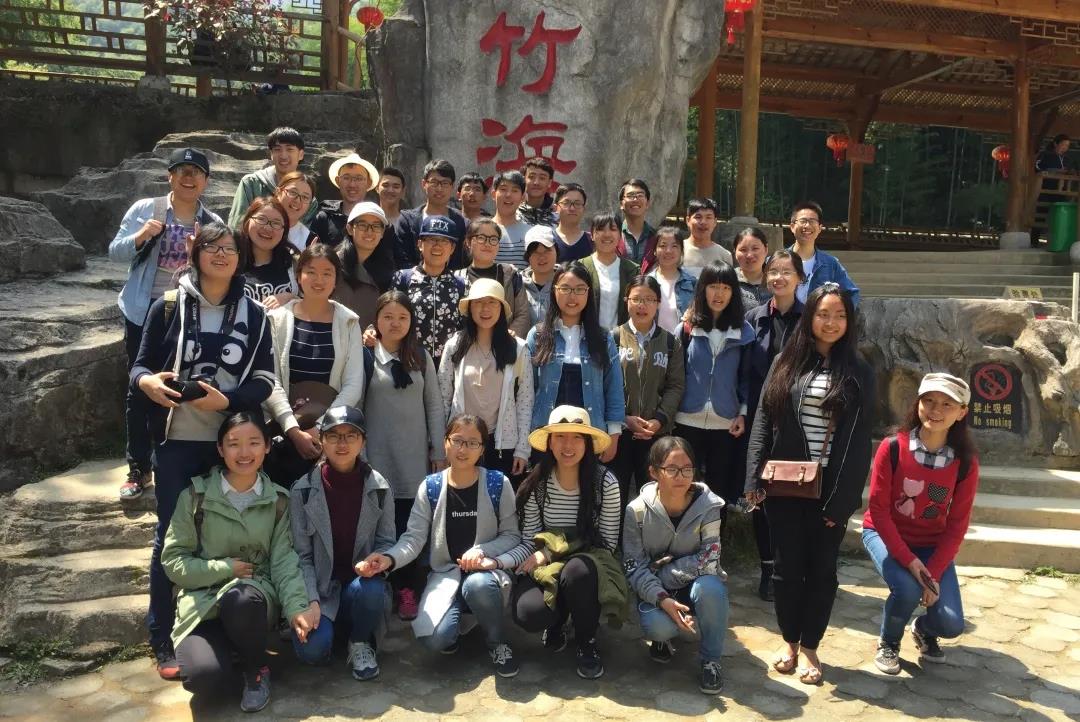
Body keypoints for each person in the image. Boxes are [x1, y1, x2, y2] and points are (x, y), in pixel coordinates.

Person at [131, 221, 276, 679]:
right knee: (171, 538)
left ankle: (226, 631)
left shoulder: (255, 315)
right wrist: (148, 383)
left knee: (224, 537)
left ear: (240, 257)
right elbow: (138, 367)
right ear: (196, 252)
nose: (221, 254)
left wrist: (227, 402)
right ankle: (162, 636)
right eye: (212, 246)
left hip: (231, 444)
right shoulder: (168, 306)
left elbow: (265, 381)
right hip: (176, 440)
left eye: (230, 248)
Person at [744, 283, 875, 686]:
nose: (831, 322)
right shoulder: (786, 361)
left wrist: (843, 502)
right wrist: (753, 478)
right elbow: (763, 421)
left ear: (849, 321)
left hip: (830, 490)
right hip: (785, 486)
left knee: (821, 572)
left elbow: (859, 442)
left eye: (840, 315)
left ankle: (811, 647)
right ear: (810, 317)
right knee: (786, 570)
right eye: (823, 314)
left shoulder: (859, 371)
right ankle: (789, 642)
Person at [162, 412, 317, 713]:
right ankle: (233, 649)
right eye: (234, 444)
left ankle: (256, 670)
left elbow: (284, 561)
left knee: (241, 599)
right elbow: (173, 560)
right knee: (204, 679)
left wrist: (297, 607)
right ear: (220, 449)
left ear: (267, 447)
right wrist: (224, 569)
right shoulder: (195, 496)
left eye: (254, 443)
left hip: (252, 600)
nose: (244, 452)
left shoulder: (279, 501)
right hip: (203, 603)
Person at [359, 415, 522, 676]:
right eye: (457, 440)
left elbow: (512, 536)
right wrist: (388, 559)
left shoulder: (497, 484)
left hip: (487, 573)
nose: (463, 449)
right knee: (433, 639)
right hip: (445, 576)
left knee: (478, 585)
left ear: (482, 449)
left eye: (472, 443)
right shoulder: (431, 487)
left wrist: (482, 551)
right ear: (445, 443)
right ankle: (458, 622)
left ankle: (497, 641)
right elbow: (413, 539)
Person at [109, 147, 221, 501]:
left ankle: (168, 462)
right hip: (143, 311)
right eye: (182, 170)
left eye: (196, 172)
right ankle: (138, 467)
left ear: (205, 181)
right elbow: (115, 252)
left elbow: (217, 270)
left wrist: (197, 255)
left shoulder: (212, 222)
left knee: (176, 386)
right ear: (170, 176)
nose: (189, 177)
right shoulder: (146, 210)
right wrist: (141, 235)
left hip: (184, 315)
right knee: (140, 386)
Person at [863, 373, 979, 674]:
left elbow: (957, 525)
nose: (935, 410)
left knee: (951, 624)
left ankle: (924, 628)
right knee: (907, 589)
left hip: (930, 543)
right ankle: (889, 642)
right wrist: (911, 563)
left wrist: (933, 573)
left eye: (947, 404)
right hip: (884, 534)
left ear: (962, 412)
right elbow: (879, 511)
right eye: (928, 400)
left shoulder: (965, 462)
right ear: (917, 404)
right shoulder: (892, 448)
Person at [503, 406, 627, 680]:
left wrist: (551, 551)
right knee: (528, 613)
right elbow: (530, 540)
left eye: (577, 437)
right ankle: (558, 620)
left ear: (588, 443)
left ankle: (586, 640)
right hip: (546, 567)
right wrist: (500, 562)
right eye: (560, 436)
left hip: (589, 563)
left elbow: (606, 544)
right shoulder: (537, 483)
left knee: (577, 572)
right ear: (549, 442)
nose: (568, 445)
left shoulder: (605, 483)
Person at [289, 405, 396, 681]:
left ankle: (359, 641)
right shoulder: (303, 490)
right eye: (334, 435)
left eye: (351, 435)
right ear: (321, 440)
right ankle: (333, 633)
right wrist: (310, 600)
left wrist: (375, 562)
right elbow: (301, 556)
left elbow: (386, 542)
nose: (342, 443)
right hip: (321, 591)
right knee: (313, 651)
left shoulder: (379, 487)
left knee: (372, 588)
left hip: (360, 589)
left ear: (363, 441)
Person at [363, 291, 447, 622]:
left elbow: (434, 405)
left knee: (412, 523)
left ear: (412, 321)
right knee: (383, 523)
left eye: (402, 317)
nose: (395, 323)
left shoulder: (420, 356)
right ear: (376, 320)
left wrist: (439, 451)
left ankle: (409, 588)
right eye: (388, 317)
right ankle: (384, 585)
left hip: (414, 458)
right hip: (378, 457)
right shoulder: (365, 356)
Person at [623, 436, 728, 695]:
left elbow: (710, 556)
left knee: (712, 589)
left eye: (687, 469)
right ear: (654, 472)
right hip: (655, 590)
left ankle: (711, 659)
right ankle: (663, 639)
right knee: (660, 628)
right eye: (671, 469)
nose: (681, 476)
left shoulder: (709, 506)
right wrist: (662, 597)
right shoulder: (636, 511)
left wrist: (663, 572)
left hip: (693, 582)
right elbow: (633, 566)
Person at [263, 244, 366, 486]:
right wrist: (293, 429)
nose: (319, 280)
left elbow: (353, 384)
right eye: (311, 272)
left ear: (336, 279)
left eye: (327, 273)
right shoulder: (277, 320)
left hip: (331, 434)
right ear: (299, 276)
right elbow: (270, 379)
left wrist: (322, 428)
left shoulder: (349, 322)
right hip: (281, 429)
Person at [742, 250, 806, 602]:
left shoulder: (810, 319)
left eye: (786, 272)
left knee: (793, 496)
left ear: (800, 278)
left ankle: (792, 567)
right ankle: (768, 569)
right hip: (758, 419)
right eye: (773, 272)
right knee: (761, 494)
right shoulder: (753, 318)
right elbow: (742, 369)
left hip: (797, 422)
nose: (779, 277)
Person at [527, 263, 625, 465]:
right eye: (565, 288)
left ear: (589, 293)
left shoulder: (603, 338)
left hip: (590, 433)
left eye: (580, 289)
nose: (572, 296)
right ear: (554, 291)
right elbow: (527, 392)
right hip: (546, 433)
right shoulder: (537, 336)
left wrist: (614, 434)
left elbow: (613, 389)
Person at [674, 261, 751, 513]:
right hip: (687, 420)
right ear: (702, 289)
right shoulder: (686, 328)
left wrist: (743, 412)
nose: (719, 294)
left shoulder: (744, 332)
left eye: (726, 288)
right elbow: (675, 376)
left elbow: (746, 377)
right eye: (713, 286)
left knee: (718, 494)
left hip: (726, 423)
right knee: (684, 489)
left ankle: (714, 537)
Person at [439, 279, 534, 480]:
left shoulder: (518, 349)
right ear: (469, 308)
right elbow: (443, 398)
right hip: (461, 442)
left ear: (501, 308)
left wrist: (522, 449)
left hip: (502, 445)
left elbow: (525, 402)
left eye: (492, 302)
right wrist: (441, 446)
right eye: (478, 302)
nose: (485, 309)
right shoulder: (455, 346)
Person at [610, 275, 685, 505]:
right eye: (636, 299)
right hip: (619, 432)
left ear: (658, 303)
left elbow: (676, 385)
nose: (642, 305)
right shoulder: (612, 338)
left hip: (656, 434)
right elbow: (605, 385)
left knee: (653, 497)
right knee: (615, 495)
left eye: (649, 299)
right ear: (626, 301)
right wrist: (623, 418)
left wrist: (659, 420)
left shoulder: (671, 342)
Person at [391, 215, 466, 367]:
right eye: (431, 239)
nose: (437, 246)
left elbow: (465, 327)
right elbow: (390, 317)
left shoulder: (460, 284)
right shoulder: (403, 278)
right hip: (409, 359)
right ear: (420, 244)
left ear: (452, 248)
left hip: (449, 363)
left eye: (444, 241)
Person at [455, 218, 531, 337]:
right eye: (481, 238)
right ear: (468, 242)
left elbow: (523, 314)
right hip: (468, 343)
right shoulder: (457, 278)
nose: (487, 244)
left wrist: (509, 337)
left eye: (493, 239)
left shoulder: (511, 275)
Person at [228, 127, 314, 229]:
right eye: (277, 149)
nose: (283, 156)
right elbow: (236, 226)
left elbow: (303, 232)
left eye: (289, 149)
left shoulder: (308, 198)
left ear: (301, 154)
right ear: (271, 154)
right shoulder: (251, 184)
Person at [392, 159, 468, 270]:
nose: (439, 188)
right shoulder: (407, 221)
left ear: (452, 186)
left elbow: (463, 261)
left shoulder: (462, 223)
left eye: (445, 183)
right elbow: (402, 259)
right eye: (434, 182)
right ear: (424, 184)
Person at [787, 201, 860, 306]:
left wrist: (838, 313)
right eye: (803, 221)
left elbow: (852, 293)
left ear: (820, 228)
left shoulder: (831, 264)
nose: (807, 225)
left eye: (812, 221)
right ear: (792, 227)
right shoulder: (778, 261)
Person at [334, 202, 394, 328]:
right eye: (362, 225)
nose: (369, 231)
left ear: (382, 232)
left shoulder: (387, 267)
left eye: (376, 226)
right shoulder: (334, 263)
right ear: (350, 229)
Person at [582, 212, 640, 330]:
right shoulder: (581, 267)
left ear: (620, 235)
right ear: (592, 235)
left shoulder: (632, 270)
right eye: (600, 229)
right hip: (587, 336)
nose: (607, 234)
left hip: (622, 337)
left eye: (613, 229)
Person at [237, 197, 298, 310]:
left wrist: (291, 298)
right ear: (247, 221)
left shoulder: (294, 263)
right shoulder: (231, 258)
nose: (267, 228)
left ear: (284, 230)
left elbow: (312, 304)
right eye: (261, 219)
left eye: (276, 223)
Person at [310, 153, 381, 249]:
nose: (352, 184)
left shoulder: (378, 219)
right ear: (338, 181)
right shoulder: (324, 218)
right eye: (346, 178)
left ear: (369, 183)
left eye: (359, 178)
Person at [647, 226, 696, 335]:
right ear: (654, 251)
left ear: (681, 251)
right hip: (652, 342)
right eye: (663, 246)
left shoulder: (692, 283)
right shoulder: (646, 283)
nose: (668, 251)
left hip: (683, 342)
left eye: (674, 246)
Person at [491, 170, 534, 269]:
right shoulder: (482, 230)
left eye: (515, 191)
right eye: (503, 189)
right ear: (493, 194)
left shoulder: (530, 232)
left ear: (522, 197)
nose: (508, 195)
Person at [682, 198, 732, 279]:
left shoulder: (724, 255)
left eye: (708, 217)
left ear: (715, 222)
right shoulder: (677, 251)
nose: (703, 222)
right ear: (688, 220)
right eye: (698, 217)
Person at [274, 171, 318, 252]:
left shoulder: (310, 240)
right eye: (293, 192)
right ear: (278, 192)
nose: (297, 200)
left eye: (305, 197)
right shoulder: (258, 224)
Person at [522, 227, 557, 327]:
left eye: (547, 250)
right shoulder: (517, 285)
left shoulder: (567, 284)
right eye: (535, 252)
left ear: (556, 251)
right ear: (528, 256)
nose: (541, 257)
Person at [619, 178, 656, 267]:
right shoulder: (614, 235)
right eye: (630, 195)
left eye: (640, 195)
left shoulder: (656, 237)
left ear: (647, 203)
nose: (635, 199)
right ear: (621, 204)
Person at [734, 227, 771, 310]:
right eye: (743, 250)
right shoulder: (728, 280)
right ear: (735, 252)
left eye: (755, 249)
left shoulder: (776, 280)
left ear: (766, 250)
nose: (749, 255)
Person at [553, 183, 592, 262]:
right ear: (555, 208)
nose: (572, 208)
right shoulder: (547, 240)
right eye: (566, 203)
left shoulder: (593, 241)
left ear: (584, 209)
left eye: (577, 204)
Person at [518, 157, 558, 226]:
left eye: (542, 178)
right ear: (524, 180)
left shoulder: (557, 216)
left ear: (549, 183)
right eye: (531, 177)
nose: (536, 182)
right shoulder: (514, 213)